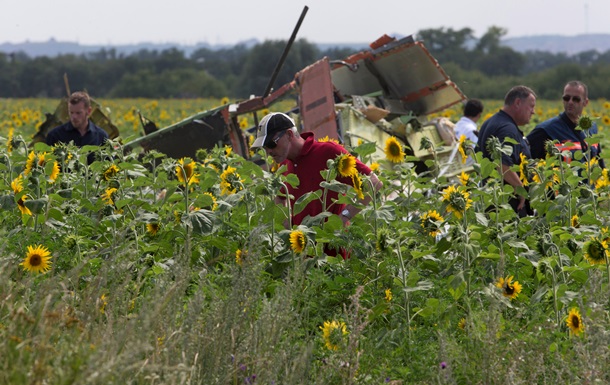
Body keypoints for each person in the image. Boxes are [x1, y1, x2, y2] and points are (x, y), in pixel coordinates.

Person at [251, 112, 383, 257]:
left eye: (271, 144)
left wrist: (345, 216)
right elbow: (280, 198)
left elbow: (374, 182)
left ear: (289, 135)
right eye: (264, 147)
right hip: (303, 255)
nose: (268, 151)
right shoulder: (284, 165)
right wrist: (287, 224)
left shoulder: (328, 152)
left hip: (333, 253)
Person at [477, 85, 537, 217]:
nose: (533, 112)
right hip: (507, 204)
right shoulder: (507, 129)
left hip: (492, 200)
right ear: (517, 103)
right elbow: (502, 163)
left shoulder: (490, 122)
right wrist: (520, 189)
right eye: (531, 106)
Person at [526, 81, 604, 167]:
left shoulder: (592, 127)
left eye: (576, 99)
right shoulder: (547, 129)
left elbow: (599, 161)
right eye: (566, 98)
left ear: (585, 102)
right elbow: (525, 158)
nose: (570, 102)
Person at [46, 91, 109, 163]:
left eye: (78, 113)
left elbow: (107, 165)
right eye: (71, 112)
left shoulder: (101, 136)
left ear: (88, 111)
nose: (74, 117)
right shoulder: (55, 135)